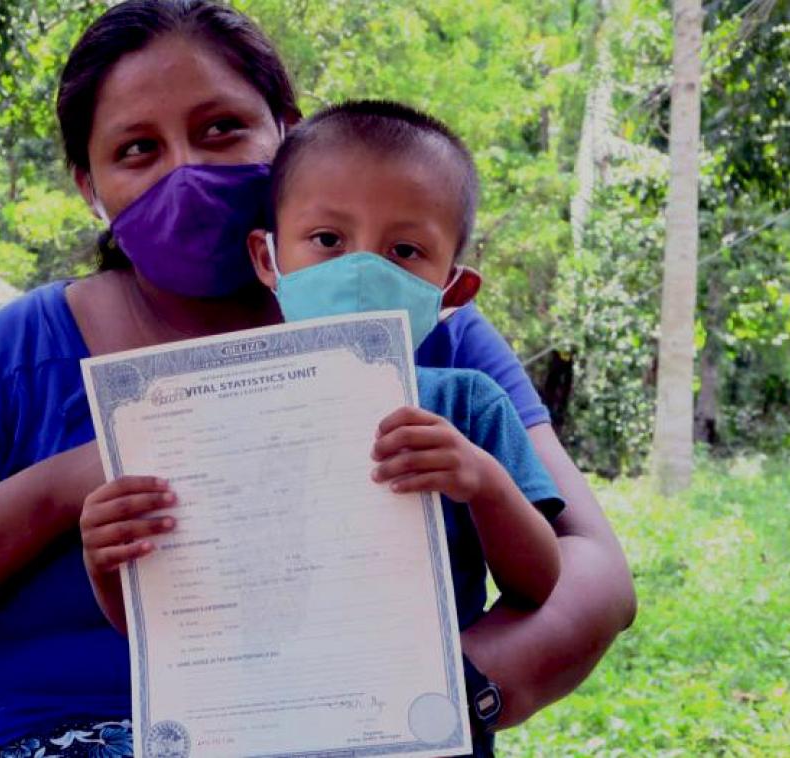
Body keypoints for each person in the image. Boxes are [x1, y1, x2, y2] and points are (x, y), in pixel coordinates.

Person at [0, 2, 636, 757]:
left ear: (285, 132)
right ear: (89, 187)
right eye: (137, 149)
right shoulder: (18, 350)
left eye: (221, 129)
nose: (186, 172)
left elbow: (591, 573)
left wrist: (458, 689)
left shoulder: (427, 330)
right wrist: (68, 487)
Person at [83, 101, 565, 657]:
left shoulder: (467, 406)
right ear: (268, 259)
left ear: (451, 291)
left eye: (404, 251)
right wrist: (105, 560)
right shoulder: (204, 415)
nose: (360, 269)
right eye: (328, 240)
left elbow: (539, 584)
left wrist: (483, 481)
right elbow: (171, 635)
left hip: (418, 732)